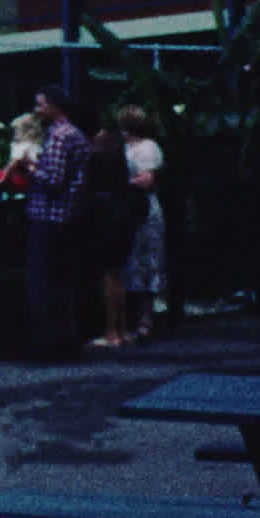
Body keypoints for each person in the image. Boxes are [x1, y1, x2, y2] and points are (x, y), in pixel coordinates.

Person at [24, 84, 91, 360]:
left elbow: (53, 180)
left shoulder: (60, 136)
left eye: (40, 105)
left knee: (44, 282)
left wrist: (30, 168)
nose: (37, 110)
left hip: (50, 217)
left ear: (54, 106)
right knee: (62, 281)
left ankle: (50, 346)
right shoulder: (73, 133)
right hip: (67, 216)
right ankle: (65, 341)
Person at [83, 128, 140, 351]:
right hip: (123, 216)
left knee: (108, 275)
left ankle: (111, 332)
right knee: (119, 274)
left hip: (105, 218)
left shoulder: (98, 179)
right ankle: (123, 330)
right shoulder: (122, 176)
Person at [116, 104, 166, 343]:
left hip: (145, 209)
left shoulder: (148, 148)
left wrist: (120, 183)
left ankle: (147, 318)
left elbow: (146, 180)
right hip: (127, 210)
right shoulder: (122, 147)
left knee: (149, 259)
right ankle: (133, 318)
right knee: (132, 261)